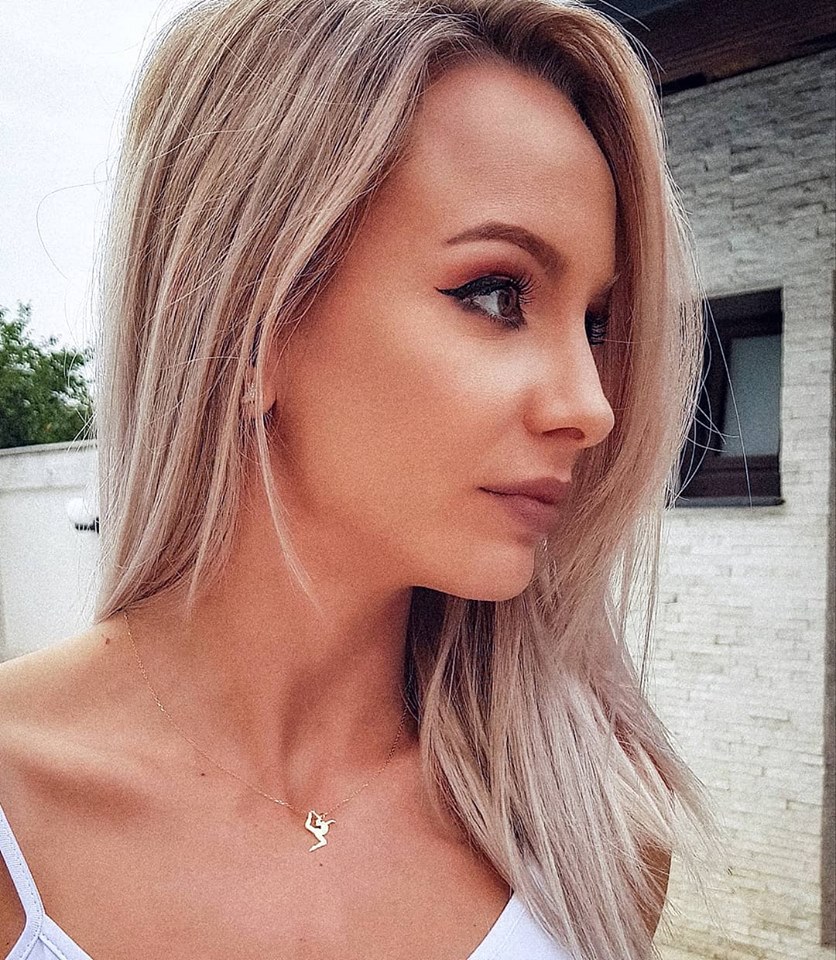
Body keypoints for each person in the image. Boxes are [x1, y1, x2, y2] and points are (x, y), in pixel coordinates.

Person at [0, 0, 721, 957]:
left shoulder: (595, 840)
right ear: (250, 323)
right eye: (497, 293)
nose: (591, 407)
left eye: (596, 323)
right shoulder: (18, 819)